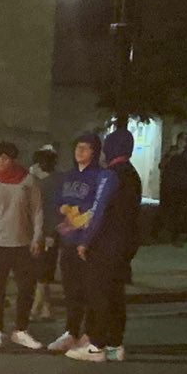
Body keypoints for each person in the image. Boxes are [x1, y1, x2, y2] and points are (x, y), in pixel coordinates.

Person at [0, 141, 45, 351]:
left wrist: (37, 237)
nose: (2, 162)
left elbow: (37, 211)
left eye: (6, 157)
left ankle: (21, 329)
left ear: (13, 159)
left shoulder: (28, 181)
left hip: (23, 244)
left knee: (26, 289)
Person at [48, 132, 115, 356]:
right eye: (77, 147)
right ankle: (71, 331)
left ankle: (89, 333)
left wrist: (78, 223)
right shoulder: (67, 176)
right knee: (71, 289)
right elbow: (58, 204)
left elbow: (94, 209)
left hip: (87, 244)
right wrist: (61, 220)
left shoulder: (99, 176)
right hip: (67, 241)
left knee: (89, 291)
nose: (80, 152)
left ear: (94, 152)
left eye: (85, 148)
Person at [82, 127, 143, 362]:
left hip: (106, 244)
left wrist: (85, 241)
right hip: (125, 244)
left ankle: (96, 345)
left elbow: (98, 211)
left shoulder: (110, 175)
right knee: (116, 294)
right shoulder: (133, 175)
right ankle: (115, 344)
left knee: (99, 293)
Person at [29, 145, 60, 322]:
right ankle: (46, 308)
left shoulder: (43, 182)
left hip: (46, 232)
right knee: (42, 270)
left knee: (42, 271)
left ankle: (36, 307)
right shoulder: (53, 180)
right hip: (44, 231)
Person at [155, 134, 187, 244]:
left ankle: (175, 237)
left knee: (178, 213)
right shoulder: (170, 152)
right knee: (164, 211)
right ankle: (157, 233)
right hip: (168, 187)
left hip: (181, 188)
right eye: (180, 140)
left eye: (184, 141)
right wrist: (170, 156)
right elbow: (161, 165)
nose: (182, 142)